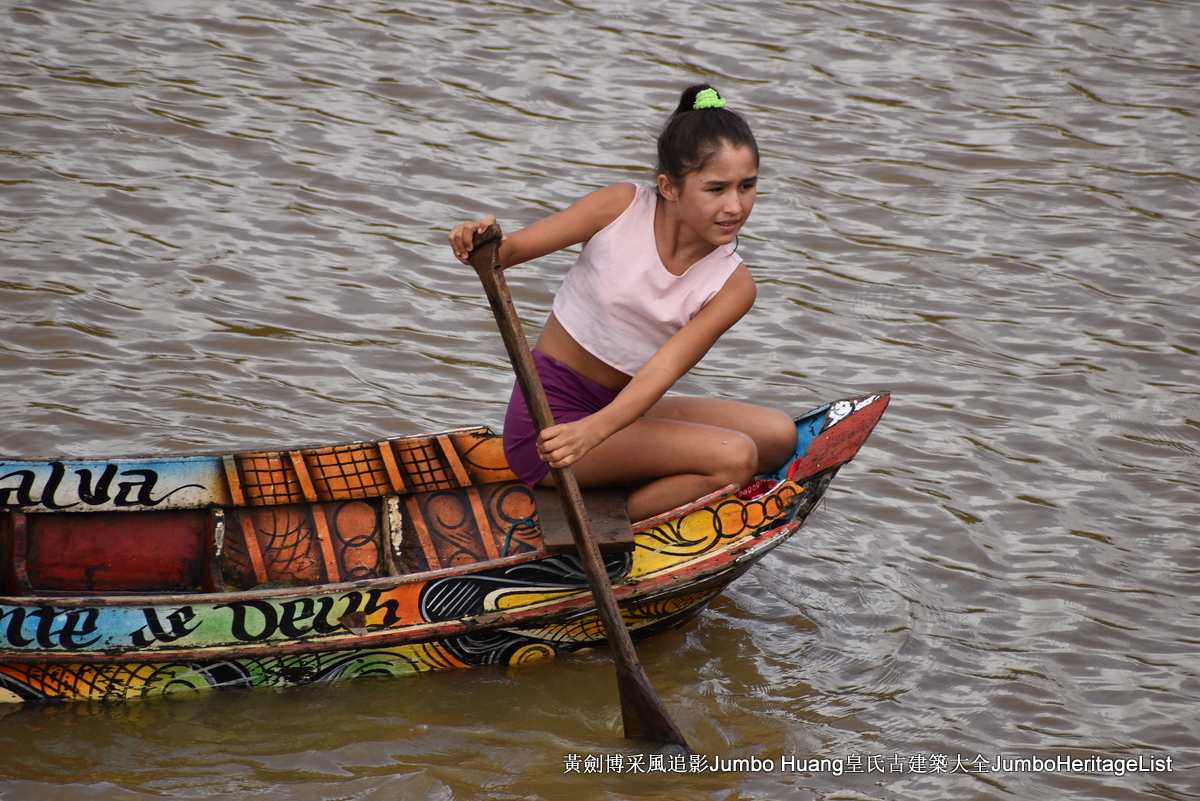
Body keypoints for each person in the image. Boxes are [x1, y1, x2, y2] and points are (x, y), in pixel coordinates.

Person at [449, 85, 797, 522]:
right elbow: (506, 253)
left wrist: (596, 429)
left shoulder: (734, 285)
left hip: (618, 407)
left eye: (747, 186)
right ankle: (613, 525)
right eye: (716, 189)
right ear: (669, 187)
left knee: (779, 436)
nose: (734, 206)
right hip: (549, 424)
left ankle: (639, 476)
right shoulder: (619, 207)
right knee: (736, 458)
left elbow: (661, 371)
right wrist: (475, 240)